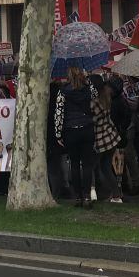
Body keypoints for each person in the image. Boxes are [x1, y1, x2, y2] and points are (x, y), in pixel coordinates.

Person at [54, 67, 97, 209]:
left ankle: (77, 196)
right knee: (87, 165)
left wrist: (58, 133)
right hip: (86, 128)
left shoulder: (63, 91)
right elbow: (95, 94)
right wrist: (88, 79)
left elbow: (59, 113)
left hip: (70, 130)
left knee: (74, 164)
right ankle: (86, 196)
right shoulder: (87, 89)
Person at [90, 75, 122, 203]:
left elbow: (93, 120)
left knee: (90, 166)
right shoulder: (106, 98)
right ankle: (116, 195)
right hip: (111, 137)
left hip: (100, 139)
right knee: (106, 168)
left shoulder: (94, 101)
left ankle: (91, 194)